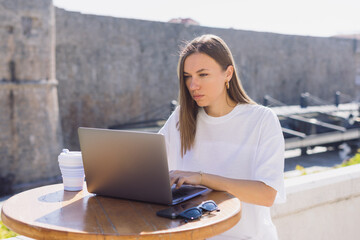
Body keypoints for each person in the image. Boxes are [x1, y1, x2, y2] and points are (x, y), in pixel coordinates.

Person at [159, 34, 285, 240]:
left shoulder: (262, 120)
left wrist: (201, 178)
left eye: (203, 75)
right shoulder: (180, 119)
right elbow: (148, 169)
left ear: (228, 73)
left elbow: (267, 194)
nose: (193, 85)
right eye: (187, 76)